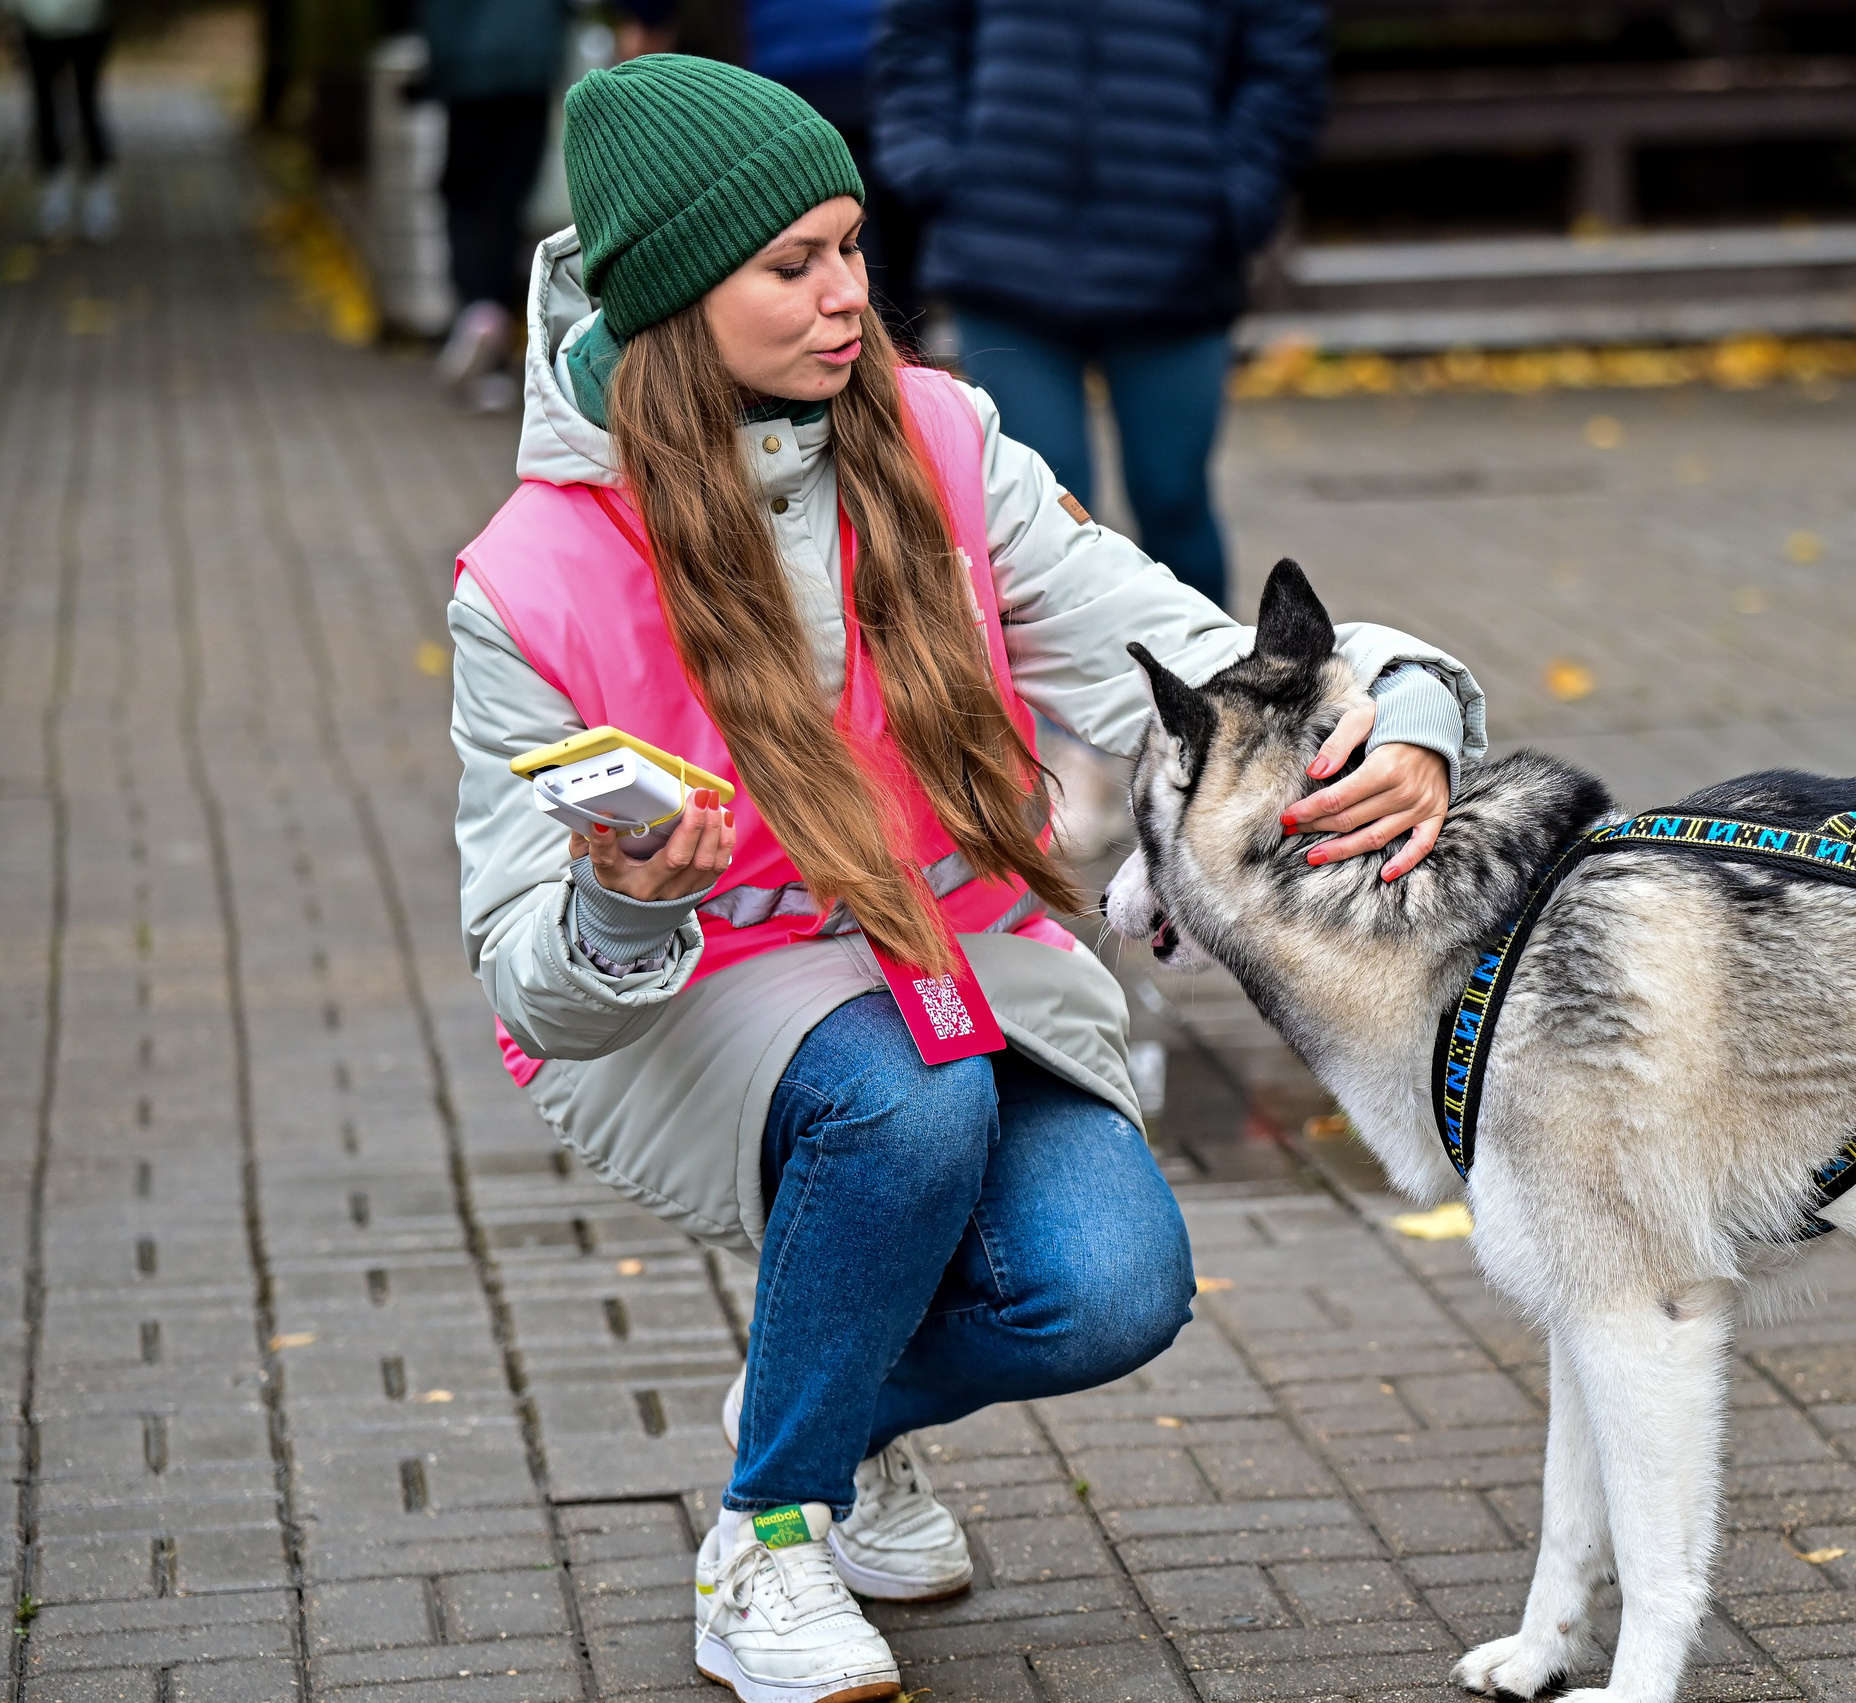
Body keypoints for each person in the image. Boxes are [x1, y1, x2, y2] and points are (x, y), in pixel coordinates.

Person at [448, 56, 1483, 1702]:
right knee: (906, 1105)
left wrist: (1410, 708)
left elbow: (1194, 647)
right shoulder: (535, 574)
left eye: (854, 245)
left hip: (953, 947)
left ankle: (819, 1396)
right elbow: (525, 973)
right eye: (792, 265)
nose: (848, 293)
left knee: (1113, 1286)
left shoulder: (941, 440)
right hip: (708, 979)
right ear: (673, 298)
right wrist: (630, 895)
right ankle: (770, 1532)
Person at [871, 0, 1329, 610]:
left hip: (1176, 258)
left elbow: (1283, 58)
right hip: (1005, 250)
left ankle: (1210, 695)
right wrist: (933, 166)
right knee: (1038, 518)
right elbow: (916, 35)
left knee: (1174, 501)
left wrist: (1232, 197)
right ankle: (1050, 710)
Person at [611, 0, 929, 349]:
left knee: (871, 260)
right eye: (792, 268)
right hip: (886, 73)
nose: (850, 296)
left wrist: (648, 20)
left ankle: (887, 382)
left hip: (802, 67)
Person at [421, 0, 574, 409]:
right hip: (530, 63)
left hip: (466, 69)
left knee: (467, 198)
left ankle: (478, 307)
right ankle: (500, 341)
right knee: (507, 205)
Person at [11, 0, 115, 243]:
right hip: (39, 25)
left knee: (87, 106)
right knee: (45, 108)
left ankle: (97, 193)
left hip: (88, 23)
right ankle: (55, 195)